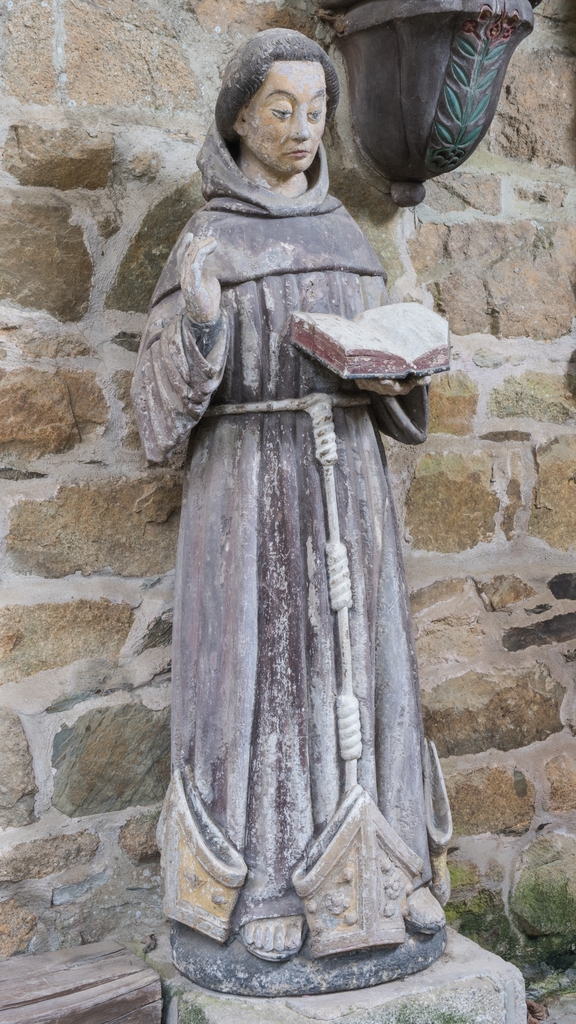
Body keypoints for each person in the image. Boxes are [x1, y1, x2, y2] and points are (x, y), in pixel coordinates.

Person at [132, 28, 449, 969]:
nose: (304, 128)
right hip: (251, 490)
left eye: (317, 110)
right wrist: (200, 323)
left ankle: (390, 878)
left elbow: (388, 372)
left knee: (366, 668)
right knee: (262, 682)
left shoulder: (348, 235)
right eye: (282, 109)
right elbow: (156, 409)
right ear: (239, 119)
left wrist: (396, 377)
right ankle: (264, 888)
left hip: (351, 485)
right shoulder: (209, 238)